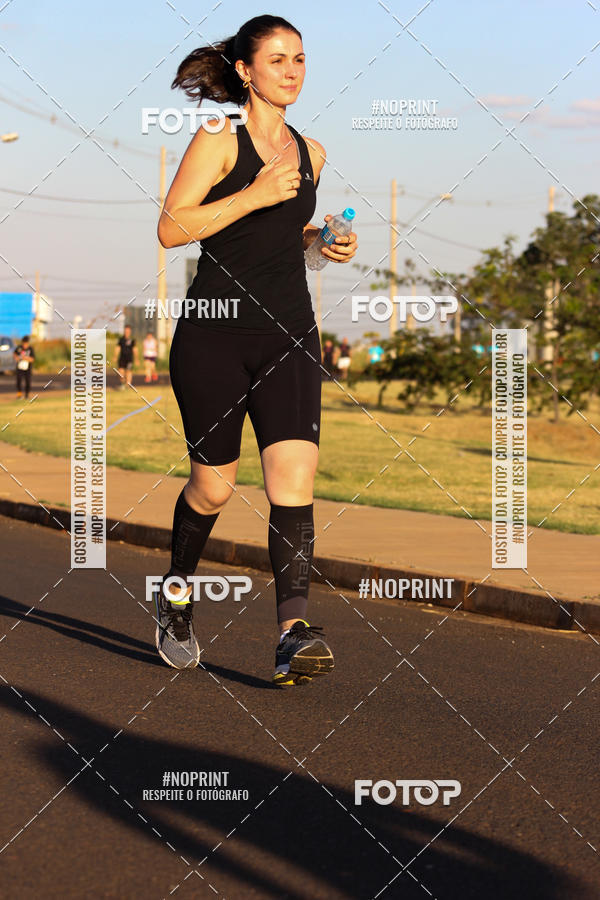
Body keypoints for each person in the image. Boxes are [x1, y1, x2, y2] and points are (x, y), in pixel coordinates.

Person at [154, 15, 358, 683]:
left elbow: (281, 241)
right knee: (213, 487)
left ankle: (292, 634)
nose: (292, 70)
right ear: (245, 70)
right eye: (277, 59)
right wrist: (254, 192)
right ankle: (176, 594)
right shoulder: (220, 136)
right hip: (214, 334)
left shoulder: (311, 152)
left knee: (292, 481)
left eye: (299, 58)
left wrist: (322, 242)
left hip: (289, 333)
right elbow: (172, 228)